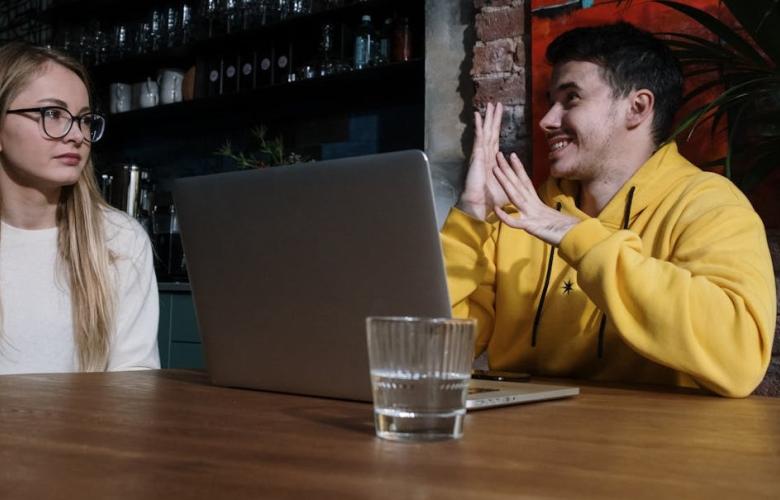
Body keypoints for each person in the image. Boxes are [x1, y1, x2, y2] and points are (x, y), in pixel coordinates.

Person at [441, 22, 776, 397]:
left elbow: (740, 358)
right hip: (520, 443)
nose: (547, 120)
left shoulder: (709, 205)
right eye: (551, 101)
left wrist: (576, 237)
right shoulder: (517, 215)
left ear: (637, 107)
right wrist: (470, 216)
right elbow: (434, 352)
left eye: (571, 99)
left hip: (654, 447)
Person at [0, 41, 160, 373]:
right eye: (52, 114)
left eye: (84, 120)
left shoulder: (119, 240)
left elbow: (134, 386)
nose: (76, 135)